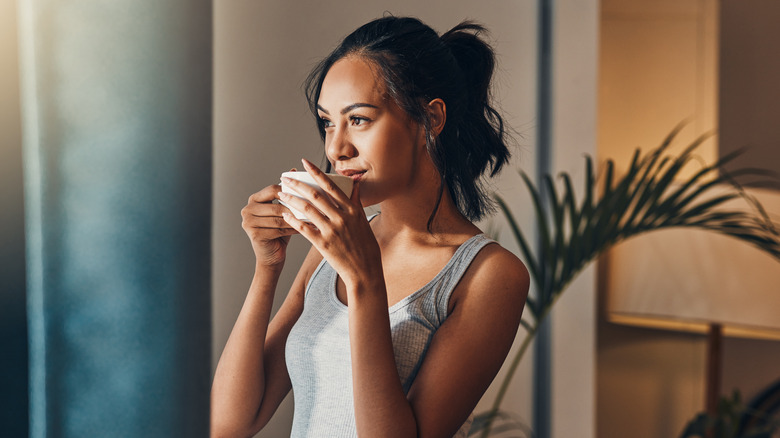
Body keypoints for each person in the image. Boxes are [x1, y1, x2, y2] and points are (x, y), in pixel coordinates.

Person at [211, 15, 530, 438]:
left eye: (358, 119)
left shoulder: (489, 275)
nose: (335, 148)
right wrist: (267, 268)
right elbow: (230, 422)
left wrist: (364, 281)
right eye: (328, 122)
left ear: (431, 119)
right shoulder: (331, 250)